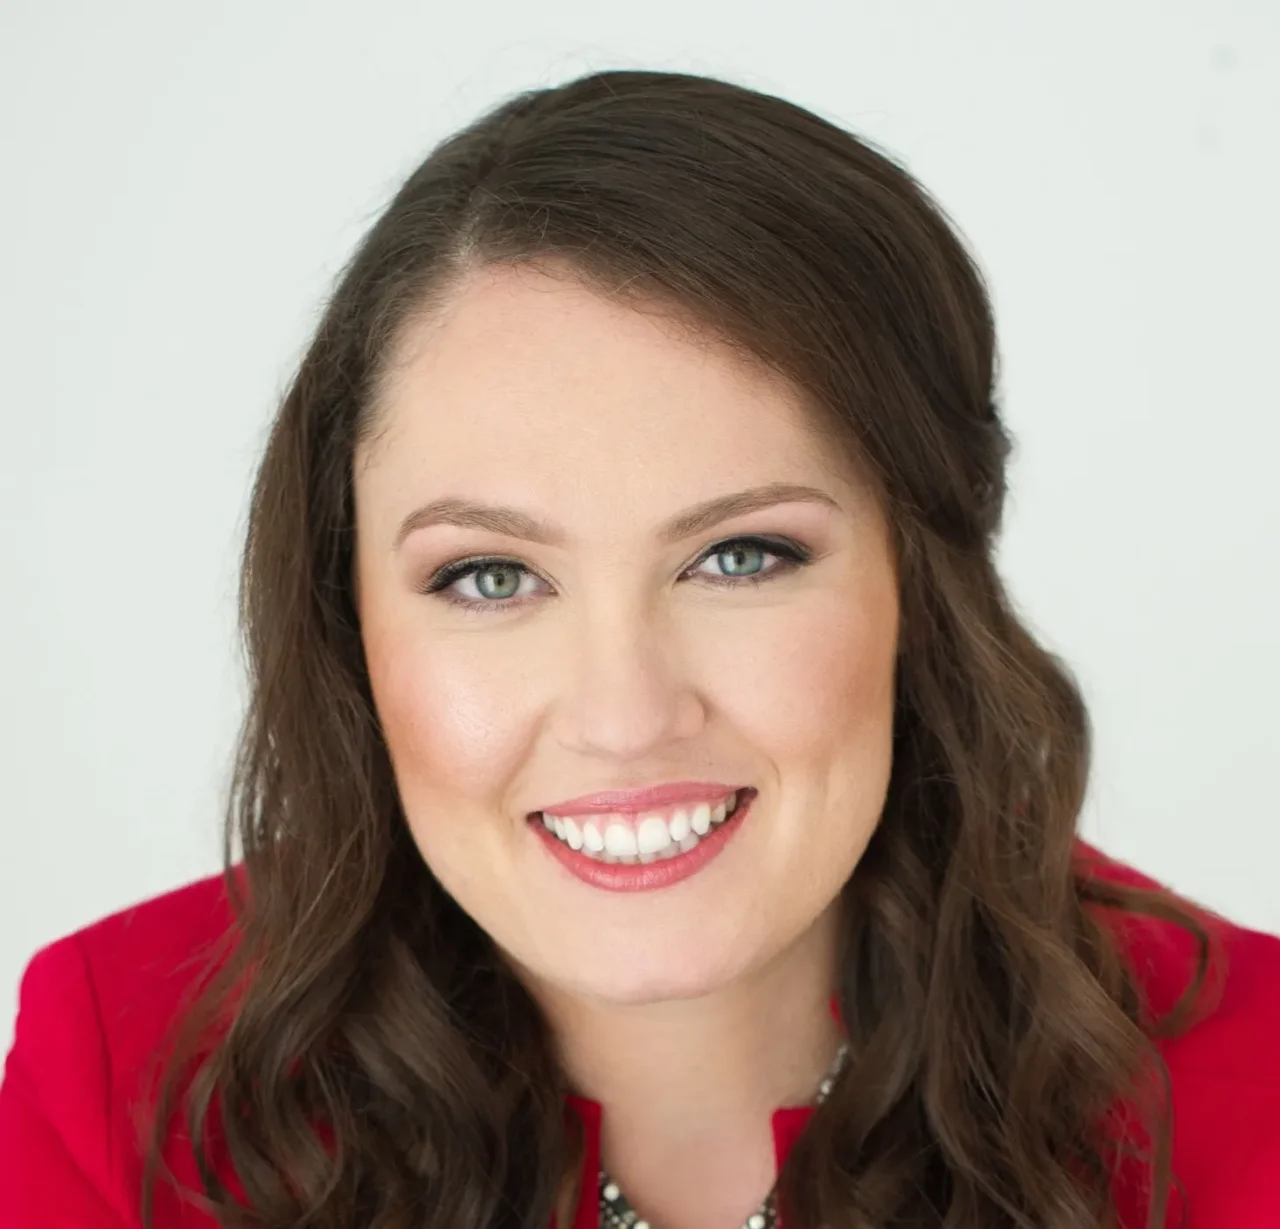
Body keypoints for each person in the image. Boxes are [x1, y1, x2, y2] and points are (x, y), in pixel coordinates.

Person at [2, 67, 1278, 1229]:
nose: (623, 711)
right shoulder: (122, 1070)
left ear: (918, 582)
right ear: (347, 623)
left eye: (739, 556)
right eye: (491, 575)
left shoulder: (1253, 1088)